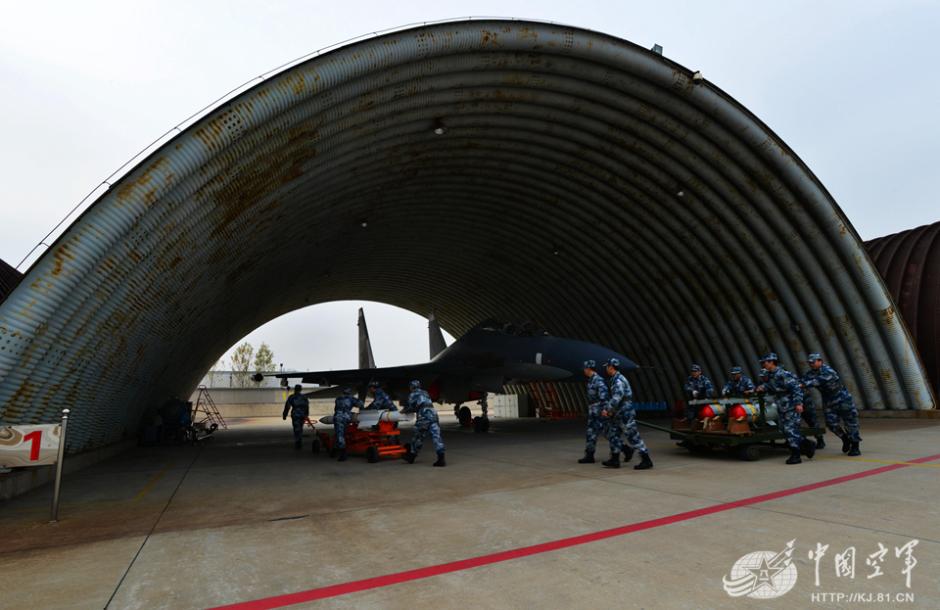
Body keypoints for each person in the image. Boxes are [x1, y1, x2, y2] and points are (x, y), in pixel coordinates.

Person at [755, 353, 815, 464]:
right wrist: (762, 387)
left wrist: (798, 404)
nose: (763, 364)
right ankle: (808, 445)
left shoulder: (783, 374)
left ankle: (796, 455)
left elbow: (796, 388)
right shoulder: (771, 375)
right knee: (784, 429)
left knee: (790, 430)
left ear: (772, 362)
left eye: (765, 362)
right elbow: (772, 387)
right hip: (781, 406)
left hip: (791, 406)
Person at [802, 353, 862, 456]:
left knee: (850, 422)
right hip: (828, 401)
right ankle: (845, 439)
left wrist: (803, 384)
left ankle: (855, 446)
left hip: (842, 398)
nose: (811, 364)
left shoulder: (828, 371)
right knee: (831, 423)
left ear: (820, 361)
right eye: (810, 363)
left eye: (813, 362)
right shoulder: (810, 374)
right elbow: (802, 381)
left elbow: (818, 381)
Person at [601, 358, 652, 470]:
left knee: (633, 437)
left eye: (607, 367)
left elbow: (617, 397)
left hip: (625, 413)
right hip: (618, 414)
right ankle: (615, 459)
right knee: (613, 434)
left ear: (610, 367)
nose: (606, 369)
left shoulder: (618, 380)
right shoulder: (614, 379)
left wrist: (607, 409)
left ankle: (646, 460)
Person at [402, 380, 446, 467]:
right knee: (436, 437)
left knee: (418, 437)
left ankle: (411, 456)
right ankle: (441, 459)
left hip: (424, 416)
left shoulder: (413, 394)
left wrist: (404, 411)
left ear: (412, 387)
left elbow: (411, 407)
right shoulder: (425, 392)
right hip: (433, 415)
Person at [578, 360, 609, 464]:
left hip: (599, 411)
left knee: (607, 433)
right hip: (593, 410)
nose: (584, 371)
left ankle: (625, 449)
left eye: (585, 369)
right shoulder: (591, 380)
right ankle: (589, 455)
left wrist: (604, 410)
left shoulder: (598, 380)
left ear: (588, 369)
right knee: (591, 433)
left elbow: (603, 396)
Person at [796, 370, 826, 449]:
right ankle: (803, 442)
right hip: (794, 403)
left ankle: (820, 440)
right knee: (796, 423)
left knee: (812, 420)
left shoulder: (788, 378)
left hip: (805, 401)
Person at [332, 387, 362, 461]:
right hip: (345, 418)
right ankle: (343, 454)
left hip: (337, 417)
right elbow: (360, 404)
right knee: (342, 435)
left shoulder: (338, 398)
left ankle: (337, 450)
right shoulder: (351, 398)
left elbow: (336, 408)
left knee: (339, 434)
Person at [282, 384, 310, 450]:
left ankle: (298, 442)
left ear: (295, 389)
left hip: (295, 415)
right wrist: (306, 415)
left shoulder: (291, 397)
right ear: (300, 389)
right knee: (300, 428)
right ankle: (299, 441)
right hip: (302, 415)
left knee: (296, 429)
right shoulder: (304, 397)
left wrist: (284, 415)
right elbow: (307, 407)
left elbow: (287, 407)